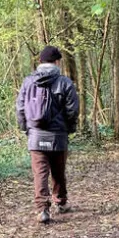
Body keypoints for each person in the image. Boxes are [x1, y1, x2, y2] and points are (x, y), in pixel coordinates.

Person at [16, 45, 80, 224]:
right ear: (57, 62)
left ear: (40, 62)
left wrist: (25, 128)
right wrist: (70, 128)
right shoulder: (64, 82)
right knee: (58, 172)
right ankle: (61, 202)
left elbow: (20, 107)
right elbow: (72, 109)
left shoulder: (28, 82)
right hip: (58, 136)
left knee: (40, 173)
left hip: (36, 136)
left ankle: (42, 210)